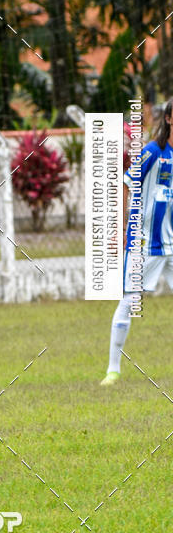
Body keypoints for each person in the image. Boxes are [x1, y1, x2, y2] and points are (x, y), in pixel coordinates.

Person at [101, 99, 173, 385]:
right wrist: (120, 228)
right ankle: (113, 370)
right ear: (169, 118)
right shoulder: (153, 151)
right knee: (130, 300)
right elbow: (126, 182)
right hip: (146, 244)